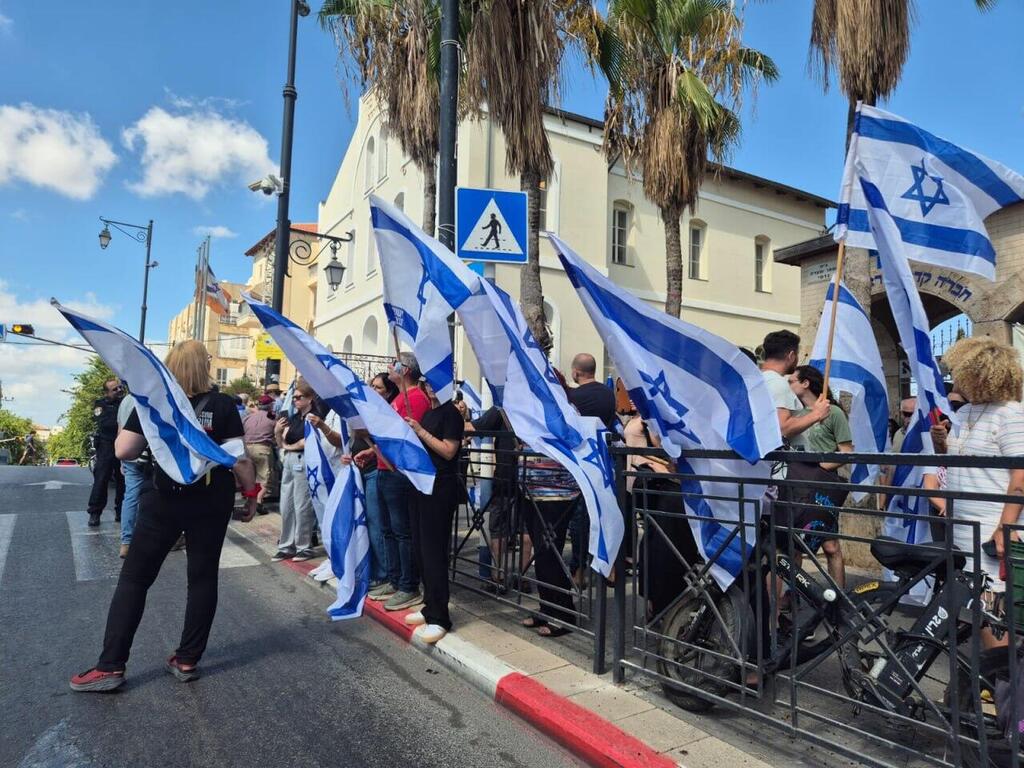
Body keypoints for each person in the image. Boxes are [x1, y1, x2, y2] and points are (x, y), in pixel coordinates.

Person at [69, 340, 258, 692]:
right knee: (202, 578)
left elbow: (124, 449)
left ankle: (110, 666)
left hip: (166, 497)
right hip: (211, 498)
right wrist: (249, 496)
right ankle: (187, 659)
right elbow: (240, 458)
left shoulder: (153, 402)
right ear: (204, 367)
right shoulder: (223, 405)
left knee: (135, 579)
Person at [931, 338, 1024, 609]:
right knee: (974, 605)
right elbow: (956, 462)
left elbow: (1021, 476)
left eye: (959, 371)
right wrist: (941, 444)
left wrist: (1004, 529)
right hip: (964, 524)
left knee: (990, 607)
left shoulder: (1011, 414)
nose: (954, 377)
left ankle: (997, 654)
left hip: (991, 525)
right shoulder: (966, 411)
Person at [362, 354, 431, 611]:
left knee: (403, 532)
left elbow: (403, 436)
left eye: (394, 363)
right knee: (388, 530)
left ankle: (408, 585)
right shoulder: (398, 398)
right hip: (384, 469)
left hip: (399, 472)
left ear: (406, 370)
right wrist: (371, 451)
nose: (389, 367)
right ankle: (394, 578)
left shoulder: (415, 399)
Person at [401, 379, 465, 643]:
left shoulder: (451, 413)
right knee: (420, 548)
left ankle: (440, 616)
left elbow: (449, 451)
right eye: (425, 383)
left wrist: (419, 431)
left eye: (432, 383)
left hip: (441, 488)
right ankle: (429, 605)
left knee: (434, 551)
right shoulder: (430, 412)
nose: (428, 387)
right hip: (421, 486)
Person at [785, 365, 854, 588]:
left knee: (831, 545)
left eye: (792, 381)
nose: (788, 385)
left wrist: (820, 466)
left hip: (824, 485)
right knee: (795, 544)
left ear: (805, 383)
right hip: (799, 484)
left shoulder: (833, 412)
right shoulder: (795, 416)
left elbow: (847, 453)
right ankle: (792, 598)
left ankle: (839, 598)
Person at [465, 405, 533, 593]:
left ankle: (498, 575)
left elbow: (473, 427)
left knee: (499, 527)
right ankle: (524, 577)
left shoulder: (502, 408)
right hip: (531, 475)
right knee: (526, 528)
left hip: (505, 477)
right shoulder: (532, 405)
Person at [566, 352, 617, 582]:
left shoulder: (573, 396)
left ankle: (579, 570)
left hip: (581, 462)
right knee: (605, 513)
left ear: (576, 372)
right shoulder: (609, 395)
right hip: (604, 461)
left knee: (580, 519)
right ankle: (609, 567)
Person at [272, 378, 322, 562]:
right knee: (286, 505)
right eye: (294, 397)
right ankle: (286, 545)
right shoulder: (293, 418)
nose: (295, 400)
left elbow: (306, 442)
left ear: (310, 398)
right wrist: (278, 432)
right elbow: (281, 442)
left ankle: (303, 546)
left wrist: (287, 446)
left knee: (302, 505)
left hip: (303, 460)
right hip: (290, 461)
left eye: (299, 397)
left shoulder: (314, 417)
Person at [758, 330, 829, 448]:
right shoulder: (777, 383)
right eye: (797, 354)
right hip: (782, 463)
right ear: (791, 356)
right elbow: (782, 429)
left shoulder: (758, 380)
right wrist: (816, 414)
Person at [87, 378, 126, 527]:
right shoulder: (101, 404)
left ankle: (121, 512)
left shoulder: (125, 402)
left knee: (123, 480)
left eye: (120, 388)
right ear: (107, 392)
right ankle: (95, 512)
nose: (119, 391)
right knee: (101, 478)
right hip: (107, 445)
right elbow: (106, 423)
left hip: (123, 443)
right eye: (114, 389)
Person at [116, 393, 148, 559]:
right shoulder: (153, 397)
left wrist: (122, 459)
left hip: (129, 455)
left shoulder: (126, 401)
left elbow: (121, 431)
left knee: (130, 496)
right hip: (149, 455)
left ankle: (126, 542)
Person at [243, 395, 277, 512]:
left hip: (247, 449)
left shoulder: (248, 417)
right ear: (270, 406)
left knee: (250, 478)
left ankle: (249, 501)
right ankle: (258, 501)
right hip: (262, 449)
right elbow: (277, 432)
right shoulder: (272, 418)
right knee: (264, 478)